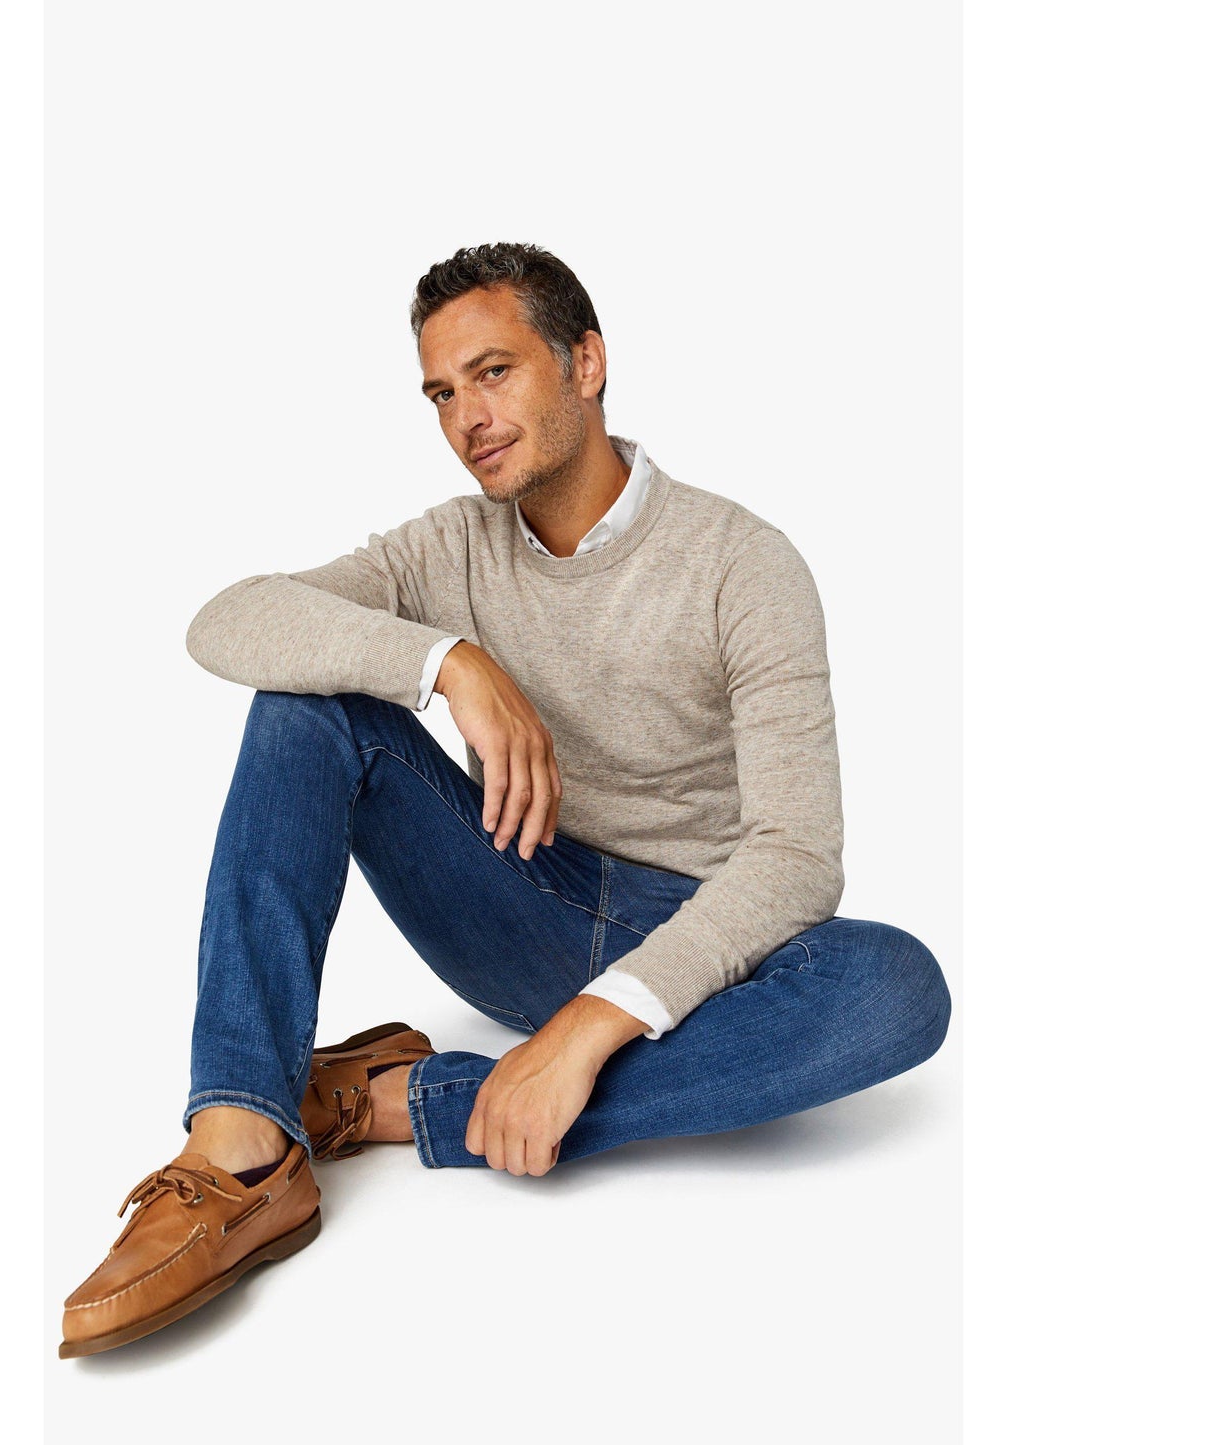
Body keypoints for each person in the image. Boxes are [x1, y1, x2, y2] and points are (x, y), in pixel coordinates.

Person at [58, 241, 952, 1359]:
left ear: (586, 363)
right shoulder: (449, 547)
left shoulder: (741, 561)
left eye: (493, 372)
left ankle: (396, 1100)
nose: (466, 417)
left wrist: (585, 1026)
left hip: (695, 938)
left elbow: (796, 856)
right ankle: (240, 1142)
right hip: (517, 905)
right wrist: (448, 663)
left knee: (894, 986)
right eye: (441, 392)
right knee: (302, 708)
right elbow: (226, 620)